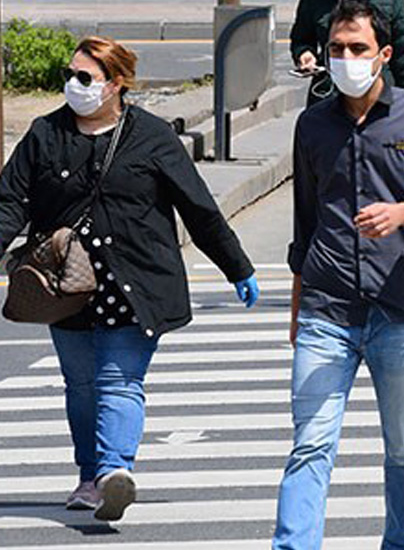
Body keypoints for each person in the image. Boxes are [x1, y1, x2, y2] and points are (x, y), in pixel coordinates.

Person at [0, 36, 258, 520]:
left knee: (118, 380)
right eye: (70, 74)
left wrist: (236, 267)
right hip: (65, 287)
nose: (72, 85)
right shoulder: (44, 134)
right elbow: (10, 201)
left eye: (85, 77)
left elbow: (198, 208)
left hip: (135, 284)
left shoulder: (152, 136)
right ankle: (88, 474)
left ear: (116, 84)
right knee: (81, 386)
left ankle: (114, 471)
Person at [273, 0, 404, 550]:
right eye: (336, 49)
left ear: (382, 54)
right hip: (326, 311)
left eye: (357, 48)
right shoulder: (312, 125)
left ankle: (402, 543)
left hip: (400, 311)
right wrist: (297, 308)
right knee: (310, 443)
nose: (346, 58)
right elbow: (304, 221)